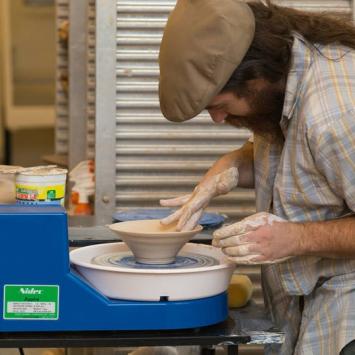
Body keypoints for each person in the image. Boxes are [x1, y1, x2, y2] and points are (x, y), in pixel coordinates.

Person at [158, 0, 355, 354]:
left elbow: (322, 140)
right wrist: (228, 169)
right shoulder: (285, 79)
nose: (218, 120)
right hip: (305, 306)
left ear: (255, 76)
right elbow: (301, 157)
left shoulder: (339, 113)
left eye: (220, 106)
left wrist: (295, 239)